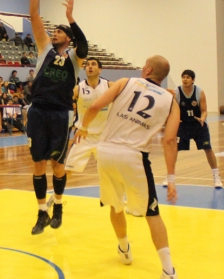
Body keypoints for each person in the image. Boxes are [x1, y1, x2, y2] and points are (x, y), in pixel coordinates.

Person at [74, 55, 179, 279]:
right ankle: (168, 270)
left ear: (149, 69)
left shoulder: (124, 82)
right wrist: (171, 178)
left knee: (115, 204)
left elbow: (94, 106)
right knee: (152, 213)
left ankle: (123, 248)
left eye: (144, 65)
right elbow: (169, 141)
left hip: (106, 151)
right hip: (134, 156)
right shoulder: (171, 101)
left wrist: (83, 127)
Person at [27, 0, 88, 234]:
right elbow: (34, 16)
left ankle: (59, 205)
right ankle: (42, 212)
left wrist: (71, 19)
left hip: (62, 113)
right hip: (39, 110)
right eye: (54, 30)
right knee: (38, 163)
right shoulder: (44, 48)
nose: (54, 32)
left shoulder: (76, 57)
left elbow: (84, 44)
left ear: (68, 38)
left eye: (59, 31)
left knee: (58, 165)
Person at [163, 69, 222, 188]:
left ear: (193, 80)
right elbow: (171, 107)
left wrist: (202, 118)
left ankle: (216, 176)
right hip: (183, 125)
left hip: (198, 125)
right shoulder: (177, 92)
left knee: (208, 148)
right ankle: (170, 177)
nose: (185, 79)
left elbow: (204, 110)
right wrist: (175, 118)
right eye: (183, 77)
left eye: (188, 77)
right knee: (174, 150)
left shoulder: (199, 92)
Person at [64, 58, 112, 175]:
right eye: (88, 65)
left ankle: (118, 194)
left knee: (110, 172)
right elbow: (62, 100)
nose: (90, 66)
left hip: (104, 136)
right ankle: (57, 194)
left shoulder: (110, 86)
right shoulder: (78, 88)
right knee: (68, 170)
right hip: (83, 136)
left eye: (93, 64)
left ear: (100, 70)